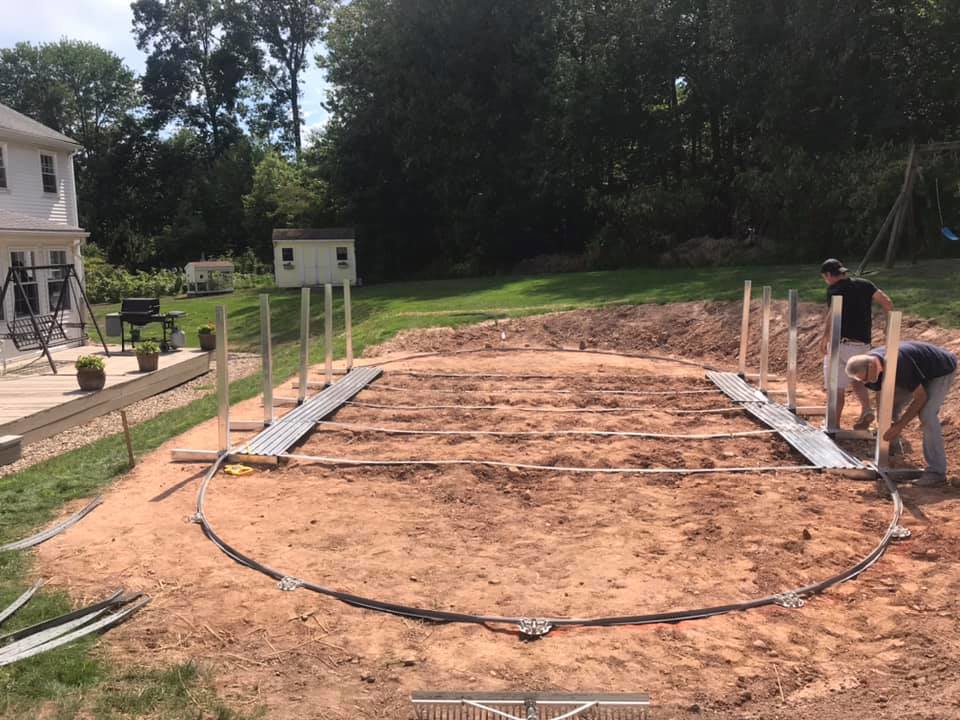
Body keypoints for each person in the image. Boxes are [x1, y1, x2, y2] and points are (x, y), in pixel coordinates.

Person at [845, 341, 957, 486]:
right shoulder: (871, 368)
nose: (865, 382)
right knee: (889, 408)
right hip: (916, 369)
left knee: (927, 415)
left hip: (940, 369)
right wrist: (882, 419)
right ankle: (892, 450)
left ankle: (937, 472)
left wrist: (899, 426)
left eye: (864, 378)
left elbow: (921, 397)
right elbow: (881, 393)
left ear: (871, 366)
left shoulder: (899, 365)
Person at [819, 259, 893, 429]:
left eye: (825, 277)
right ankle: (866, 408)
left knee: (836, 387)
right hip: (862, 345)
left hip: (840, 344)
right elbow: (887, 302)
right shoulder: (866, 284)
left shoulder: (834, 290)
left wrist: (825, 337)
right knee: (857, 379)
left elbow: (832, 314)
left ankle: (833, 424)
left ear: (829, 275)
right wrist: (889, 325)